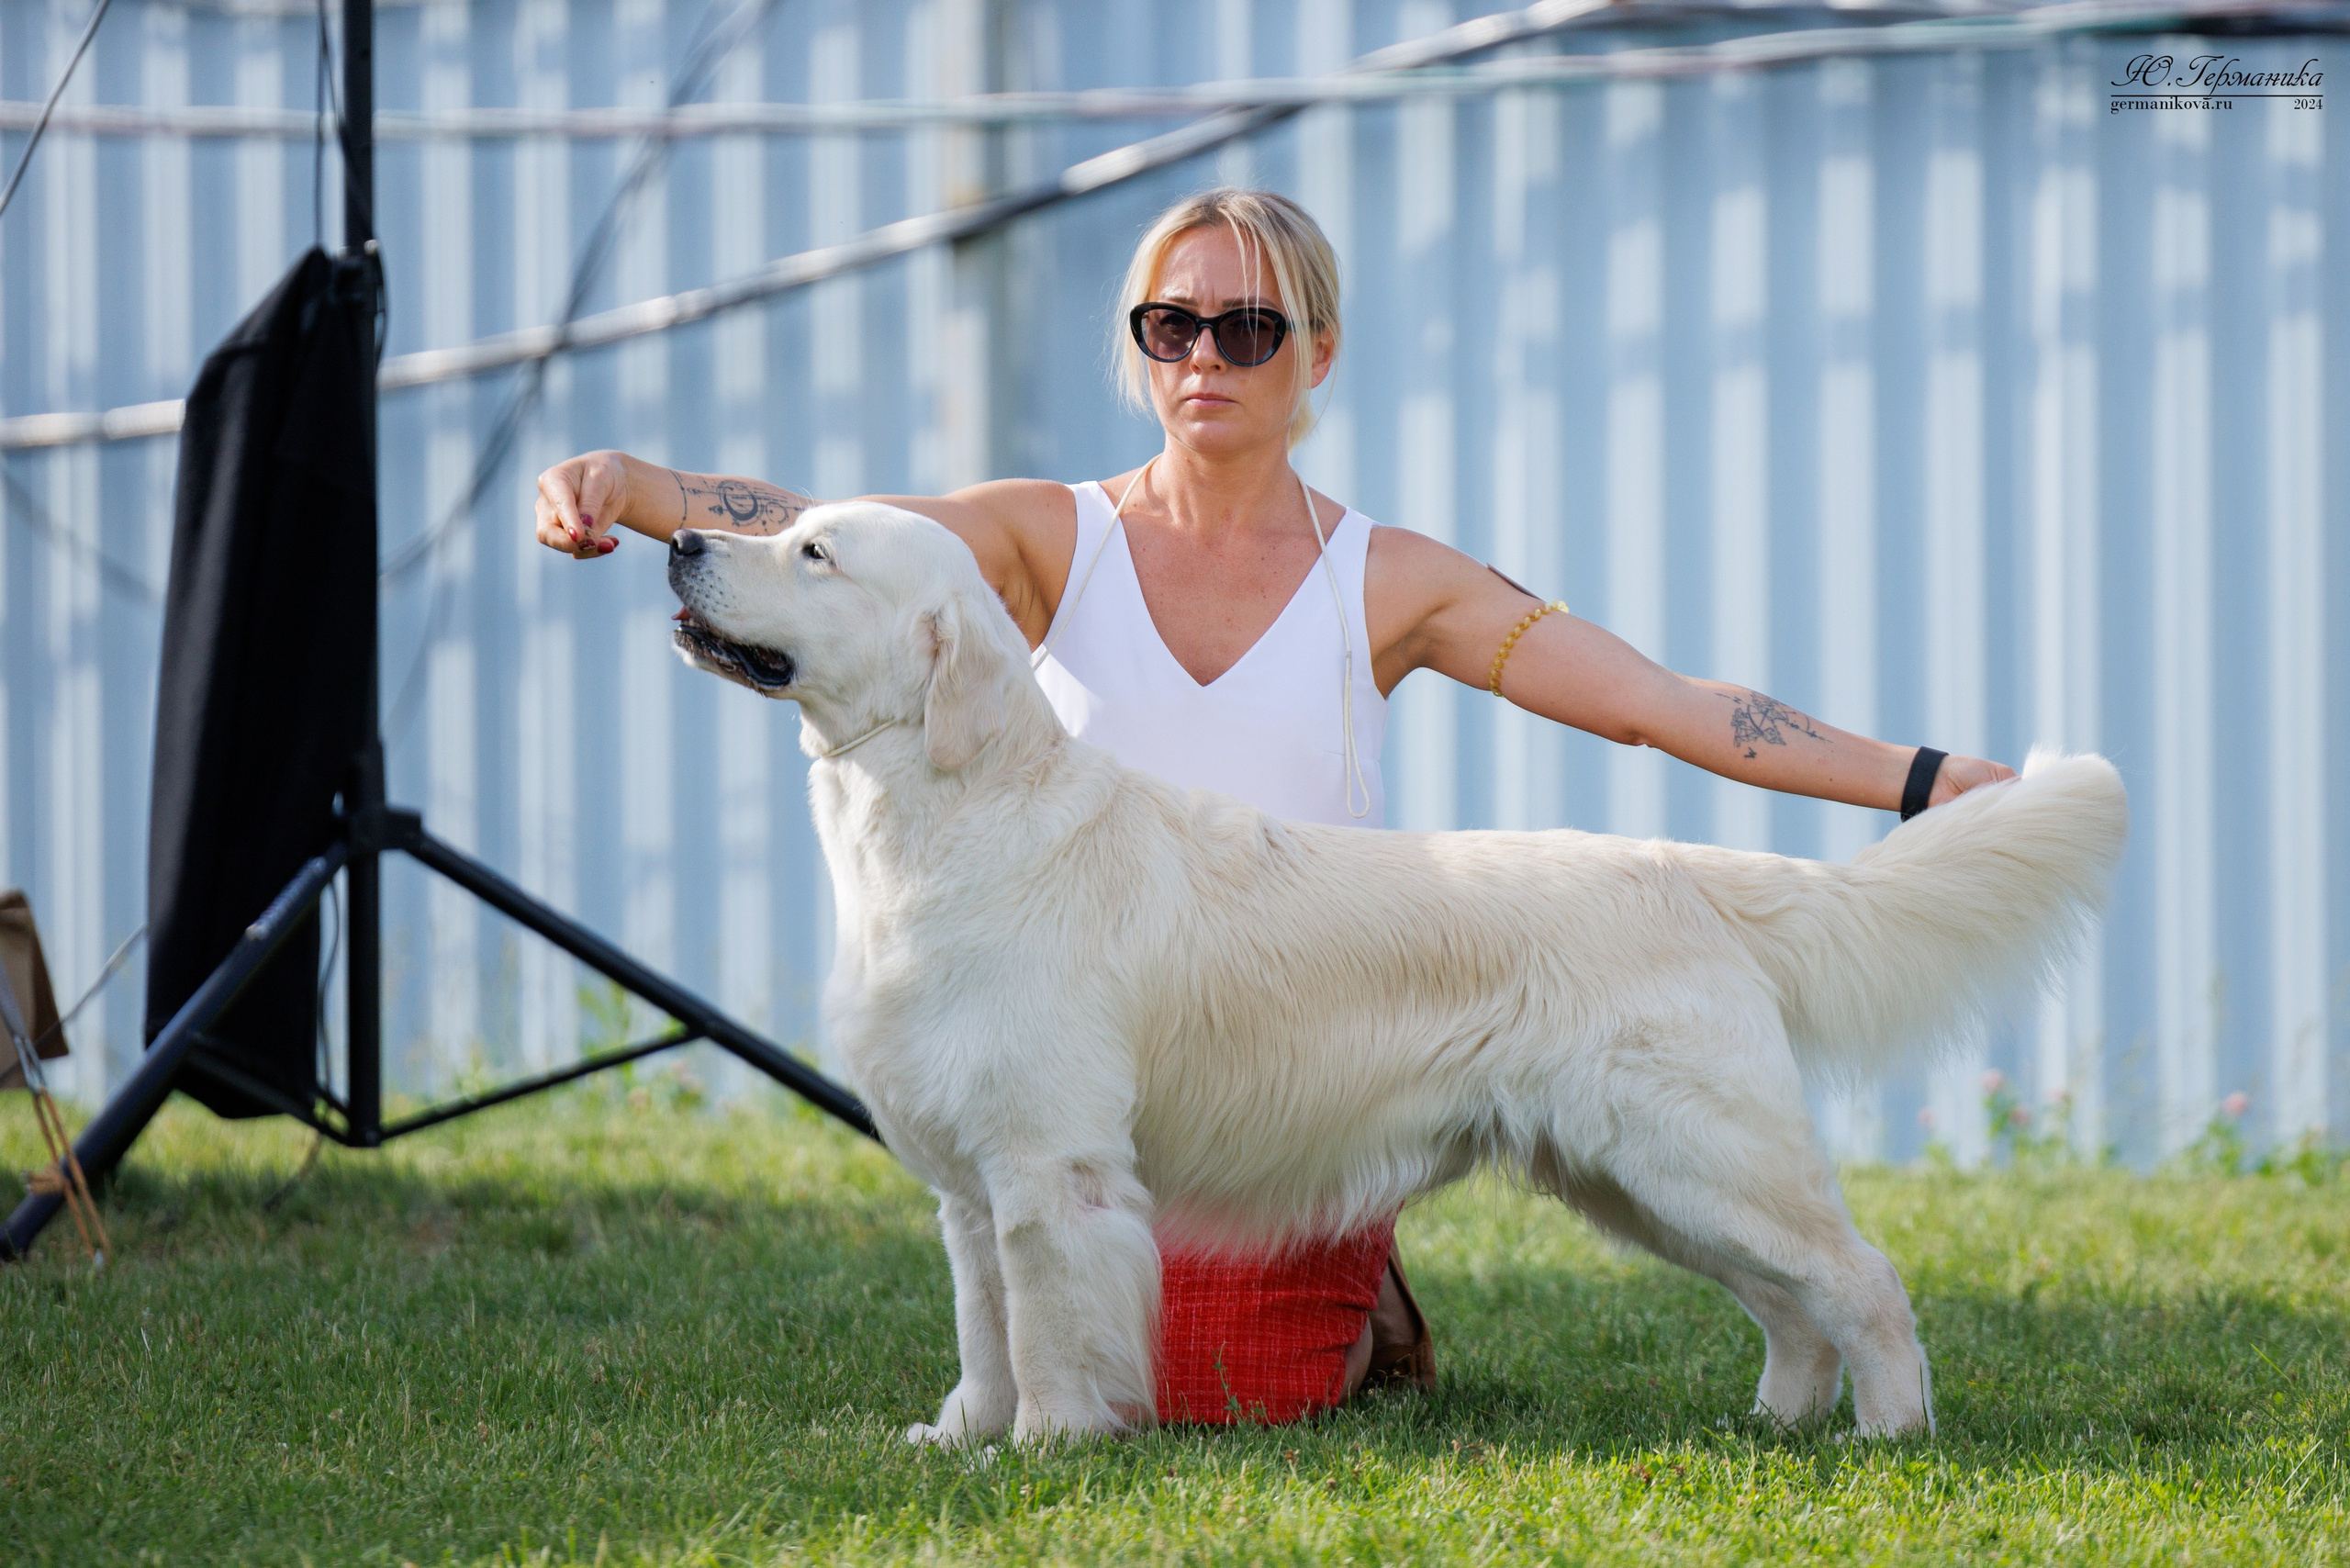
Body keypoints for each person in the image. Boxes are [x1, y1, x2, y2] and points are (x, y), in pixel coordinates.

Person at [532, 186, 2016, 1426]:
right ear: (1139, 347)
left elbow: (1660, 707)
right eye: (1169, 325)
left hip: (1339, 1053)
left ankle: (1813, 1326)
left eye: (1246, 328)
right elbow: (830, 549)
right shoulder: (1051, 536)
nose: (1205, 358)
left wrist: (1923, 783)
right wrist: (642, 487)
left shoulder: (1393, 576)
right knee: (1098, 1273)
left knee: (1235, 1377)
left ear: (1317, 353)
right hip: (1125, 1070)